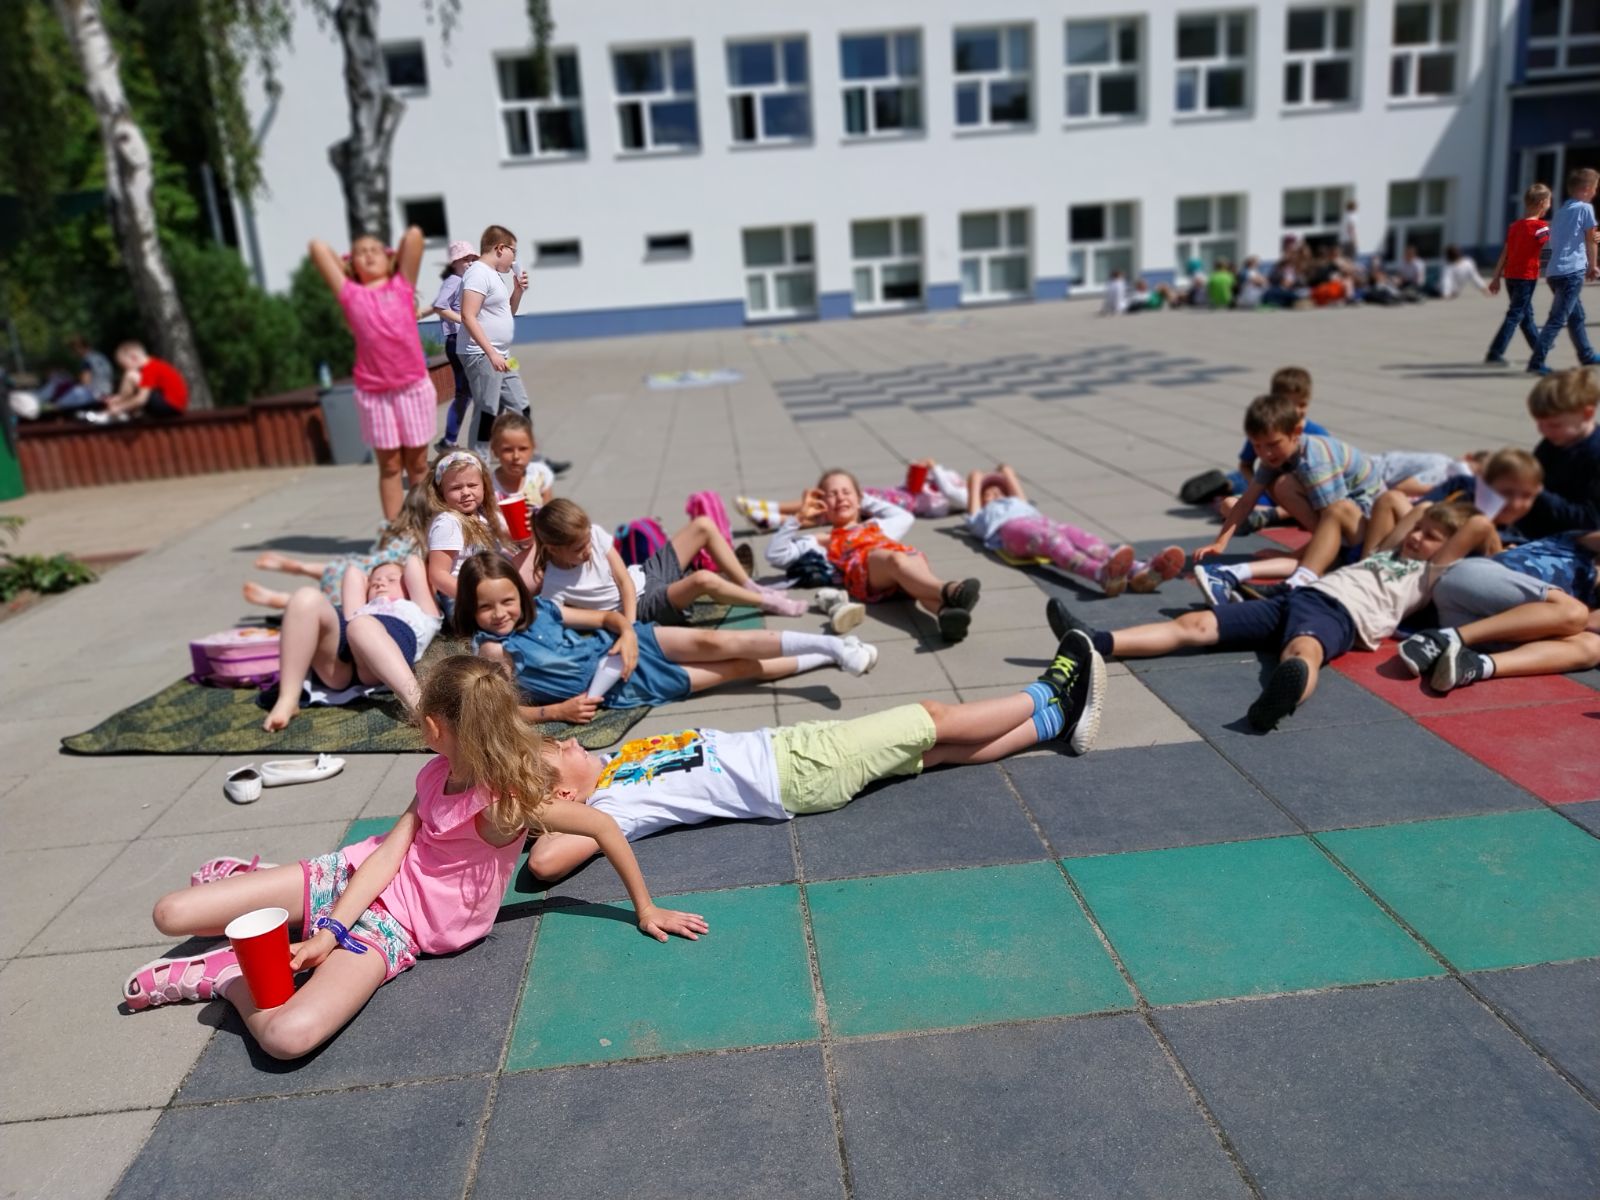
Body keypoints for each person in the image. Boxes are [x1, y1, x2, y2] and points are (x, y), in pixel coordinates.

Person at [122, 656, 708, 1059]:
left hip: (396, 926)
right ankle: (257, 885)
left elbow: (601, 824)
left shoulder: (507, 806)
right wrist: (328, 930)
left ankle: (228, 977)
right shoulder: (434, 773)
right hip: (348, 878)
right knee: (171, 913)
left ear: (432, 725)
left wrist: (646, 907)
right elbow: (387, 856)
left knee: (286, 1037)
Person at [526, 628, 1107, 883]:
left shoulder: (615, 762)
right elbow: (545, 863)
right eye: (557, 752)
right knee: (930, 718)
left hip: (796, 756)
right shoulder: (610, 808)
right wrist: (549, 812)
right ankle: (1052, 688)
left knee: (936, 751)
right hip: (800, 767)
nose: (567, 740)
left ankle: (1056, 722)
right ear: (564, 795)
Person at [1056, 501, 1495, 731]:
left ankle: (1278, 703)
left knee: (1302, 651)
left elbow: (1477, 528)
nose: (1417, 537)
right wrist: (1431, 512)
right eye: (1418, 530)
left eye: (1431, 537)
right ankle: (1096, 641)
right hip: (1300, 596)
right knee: (1196, 625)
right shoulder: (1387, 551)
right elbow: (1404, 504)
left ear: (1449, 549)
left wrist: (1494, 542)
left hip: (1342, 615)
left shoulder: (1431, 572)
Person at [460, 555, 878, 724]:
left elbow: (607, 618)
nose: (500, 613)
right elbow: (501, 714)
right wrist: (556, 711)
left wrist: (627, 633)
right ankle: (830, 656)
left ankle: (832, 646)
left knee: (718, 643)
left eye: (507, 601)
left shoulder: (542, 609)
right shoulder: (494, 651)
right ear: (470, 609)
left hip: (631, 647)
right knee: (735, 670)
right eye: (485, 607)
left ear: (520, 595)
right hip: (622, 684)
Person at [1194, 391, 1381, 601]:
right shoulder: (1277, 456)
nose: (1265, 453)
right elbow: (1246, 501)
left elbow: (1333, 521)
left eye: (1273, 444)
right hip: (1345, 518)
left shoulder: (1315, 463)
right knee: (1281, 485)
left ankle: (1319, 562)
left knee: (1322, 543)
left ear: (1296, 432)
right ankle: (1320, 558)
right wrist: (1220, 543)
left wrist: (1295, 555)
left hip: (1367, 531)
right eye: (1257, 446)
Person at [308, 225, 435, 521]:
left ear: (389, 258)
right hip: (375, 394)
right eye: (361, 253)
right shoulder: (350, 294)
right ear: (351, 264)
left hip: (412, 386)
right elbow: (317, 247)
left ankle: (425, 524)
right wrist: (347, 266)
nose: (368, 255)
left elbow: (415, 236)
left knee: (418, 464)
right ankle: (394, 531)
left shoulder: (401, 285)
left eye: (374, 250)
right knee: (390, 466)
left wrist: (393, 257)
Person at [767, 469, 982, 643]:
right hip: (869, 573)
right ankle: (950, 590)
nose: (840, 497)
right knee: (896, 560)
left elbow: (905, 516)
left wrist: (863, 499)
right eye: (832, 494)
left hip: (903, 566)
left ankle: (946, 615)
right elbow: (775, 555)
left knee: (913, 572)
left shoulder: (878, 525)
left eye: (846, 492)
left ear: (859, 499)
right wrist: (799, 517)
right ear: (821, 505)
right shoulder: (821, 540)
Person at [533, 497, 807, 623]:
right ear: (554, 549)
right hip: (642, 606)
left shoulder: (592, 534)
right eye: (579, 548)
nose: (588, 549)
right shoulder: (555, 585)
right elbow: (565, 618)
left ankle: (750, 586)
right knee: (702, 579)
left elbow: (624, 580)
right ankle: (767, 602)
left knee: (702, 525)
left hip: (643, 574)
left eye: (587, 542)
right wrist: (630, 628)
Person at [1399, 532, 1600, 690]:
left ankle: (1475, 665)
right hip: (1470, 583)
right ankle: (1445, 639)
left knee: (1593, 646)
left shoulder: (1590, 599)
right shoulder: (1576, 547)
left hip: (1483, 630)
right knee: (1574, 613)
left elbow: (1589, 623)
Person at [263, 557, 443, 731]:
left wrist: (395, 568)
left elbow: (414, 563)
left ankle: (418, 704)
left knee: (360, 625)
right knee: (305, 597)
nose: (380, 583)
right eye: (374, 583)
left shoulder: (422, 610)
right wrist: (369, 582)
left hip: (383, 652)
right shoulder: (361, 610)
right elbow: (353, 573)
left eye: (392, 579)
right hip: (340, 666)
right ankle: (288, 698)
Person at [965, 464, 1185, 595]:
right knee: (1052, 541)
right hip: (1012, 530)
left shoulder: (1020, 503)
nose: (996, 494)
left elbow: (1013, 486)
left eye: (999, 492)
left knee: (1086, 540)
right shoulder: (983, 516)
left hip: (1043, 522)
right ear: (982, 501)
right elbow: (973, 498)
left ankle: (1139, 572)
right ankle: (1100, 574)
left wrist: (1006, 472)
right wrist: (976, 479)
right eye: (989, 494)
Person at [244, 486, 434, 611]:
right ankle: (286, 600)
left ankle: (303, 567)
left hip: (350, 568)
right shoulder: (424, 541)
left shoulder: (395, 530)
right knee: (329, 609)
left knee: (335, 570)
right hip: (364, 586)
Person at [458, 224, 530, 459]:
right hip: (482, 355)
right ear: (500, 248)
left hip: (500, 354)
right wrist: (491, 353)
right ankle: (479, 463)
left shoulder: (494, 275)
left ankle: (528, 458)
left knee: (521, 406)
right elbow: (468, 315)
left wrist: (517, 291)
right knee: (487, 411)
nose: (514, 259)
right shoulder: (478, 273)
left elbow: (506, 312)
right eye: (513, 252)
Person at [424, 449, 525, 604]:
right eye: (456, 488)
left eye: (472, 485)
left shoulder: (486, 514)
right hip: (464, 596)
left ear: (484, 486)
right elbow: (438, 574)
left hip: (493, 584)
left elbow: (515, 539)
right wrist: (473, 597)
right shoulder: (448, 523)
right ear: (441, 493)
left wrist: (528, 530)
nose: (466, 492)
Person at [1527, 167, 1599, 375]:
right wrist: (1593, 265)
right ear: (1586, 189)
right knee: (1557, 319)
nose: (1595, 193)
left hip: (1555, 272)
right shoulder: (1585, 208)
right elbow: (1591, 239)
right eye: (1595, 188)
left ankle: (1586, 354)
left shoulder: (1561, 211)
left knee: (1576, 316)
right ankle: (1536, 362)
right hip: (1571, 272)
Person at [1524, 367, 1599, 530]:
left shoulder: (1594, 455)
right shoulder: (1553, 442)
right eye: (1539, 423)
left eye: (1554, 425)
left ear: (1587, 414)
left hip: (1572, 538)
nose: (1543, 431)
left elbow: (1591, 520)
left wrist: (1536, 492)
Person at [1485, 184, 1551, 366]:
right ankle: (1495, 353)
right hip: (1526, 277)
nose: (1549, 205)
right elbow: (1548, 251)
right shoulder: (1541, 227)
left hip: (1511, 277)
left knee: (1525, 314)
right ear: (1543, 203)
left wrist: (1496, 277)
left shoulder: (1514, 227)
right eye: (1549, 202)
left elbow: (1505, 253)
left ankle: (1539, 348)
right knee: (1515, 315)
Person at [427, 240, 477, 452]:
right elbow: (440, 306)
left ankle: (450, 440)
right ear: (454, 262)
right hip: (457, 340)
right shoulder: (454, 280)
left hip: (464, 340)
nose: (470, 263)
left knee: (468, 393)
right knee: (466, 393)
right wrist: (464, 321)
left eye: (472, 259)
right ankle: (449, 440)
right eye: (466, 259)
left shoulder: (462, 280)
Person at [101, 341, 188, 420]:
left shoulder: (150, 368)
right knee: (136, 383)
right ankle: (121, 406)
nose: (124, 369)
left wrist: (120, 408)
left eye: (124, 365)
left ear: (133, 357)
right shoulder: (154, 365)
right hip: (174, 406)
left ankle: (119, 408)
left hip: (170, 406)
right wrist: (117, 400)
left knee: (130, 375)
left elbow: (141, 400)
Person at [488, 412, 554, 509]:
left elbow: (550, 514)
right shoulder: (489, 487)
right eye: (508, 450)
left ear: (533, 447)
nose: (516, 456)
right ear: (495, 450)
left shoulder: (540, 476)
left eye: (523, 449)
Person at [54, 334, 114, 410]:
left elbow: (85, 382)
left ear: (79, 347)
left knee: (60, 404)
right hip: (108, 392)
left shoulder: (87, 360)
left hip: (95, 394)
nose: (73, 353)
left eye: (73, 349)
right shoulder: (101, 357)